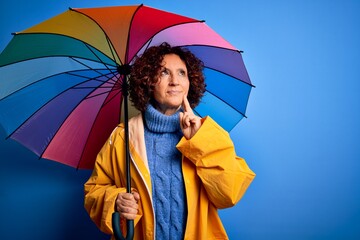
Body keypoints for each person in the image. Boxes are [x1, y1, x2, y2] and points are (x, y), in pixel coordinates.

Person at [84, 42, 255, 240]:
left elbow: (228, 194)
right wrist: (115, 201)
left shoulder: (206, 132)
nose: (175, 81)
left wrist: (201, 141)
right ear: (148, 81)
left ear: (191, 82)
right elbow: (94, 192)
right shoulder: (122, 136)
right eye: (164, 72)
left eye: (182, 73)